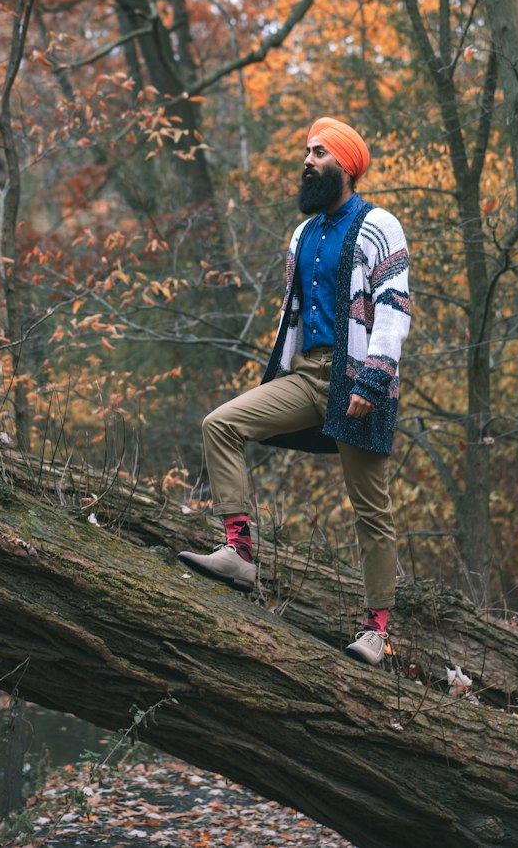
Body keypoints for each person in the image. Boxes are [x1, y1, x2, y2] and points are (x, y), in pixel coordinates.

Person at [178, 116, 411, 665]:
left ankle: (376, 632)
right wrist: (284, 370)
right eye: (306, 151)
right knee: (222, 424)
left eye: (319, 152)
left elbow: (394, 310)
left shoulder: (380, 226)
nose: (307, 161)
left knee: (370, 510)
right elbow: (296, 314)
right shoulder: (302, 235)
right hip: (308, 376)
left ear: (346, 165)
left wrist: (373, 379)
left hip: (356, 379)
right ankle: (238, 551)